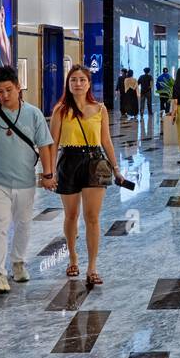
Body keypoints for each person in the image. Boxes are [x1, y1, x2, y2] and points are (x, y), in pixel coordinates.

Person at [0, 65, 55, 294]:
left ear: (18, 87)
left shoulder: (33, 113)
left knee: (24, 224)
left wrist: (48, 175)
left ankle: (18, 262)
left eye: (8, 90)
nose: (5, 96)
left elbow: (45, 145)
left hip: (25, 181)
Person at [50, 65, 121, 288]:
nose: (77, 84)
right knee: (71, 215)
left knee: (92, 217)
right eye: (73, 80)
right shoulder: (60, 110)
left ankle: (92, 267)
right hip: (69, 161)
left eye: (82, 80)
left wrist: (116, 167)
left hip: (95, 161)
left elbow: (106, 141)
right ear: (68, 84)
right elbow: (52, 143)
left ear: (89, 83)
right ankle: (72, 258)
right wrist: (48, 172)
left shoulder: (100, 109)